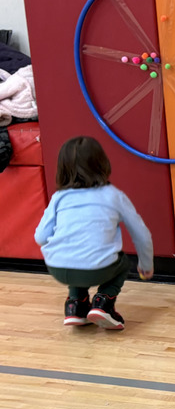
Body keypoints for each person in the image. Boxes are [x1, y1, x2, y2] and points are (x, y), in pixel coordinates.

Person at [34, 136, 153, 330]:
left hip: (58, 268)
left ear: (62, 168)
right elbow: (142, 235)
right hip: (99, 269)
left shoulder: (59, 198)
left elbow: (40, 237)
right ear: (102, 164)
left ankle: (75, 305)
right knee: (122, 264)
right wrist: (146, 265)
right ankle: (104, 303)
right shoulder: (114, 195)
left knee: (76, 258)